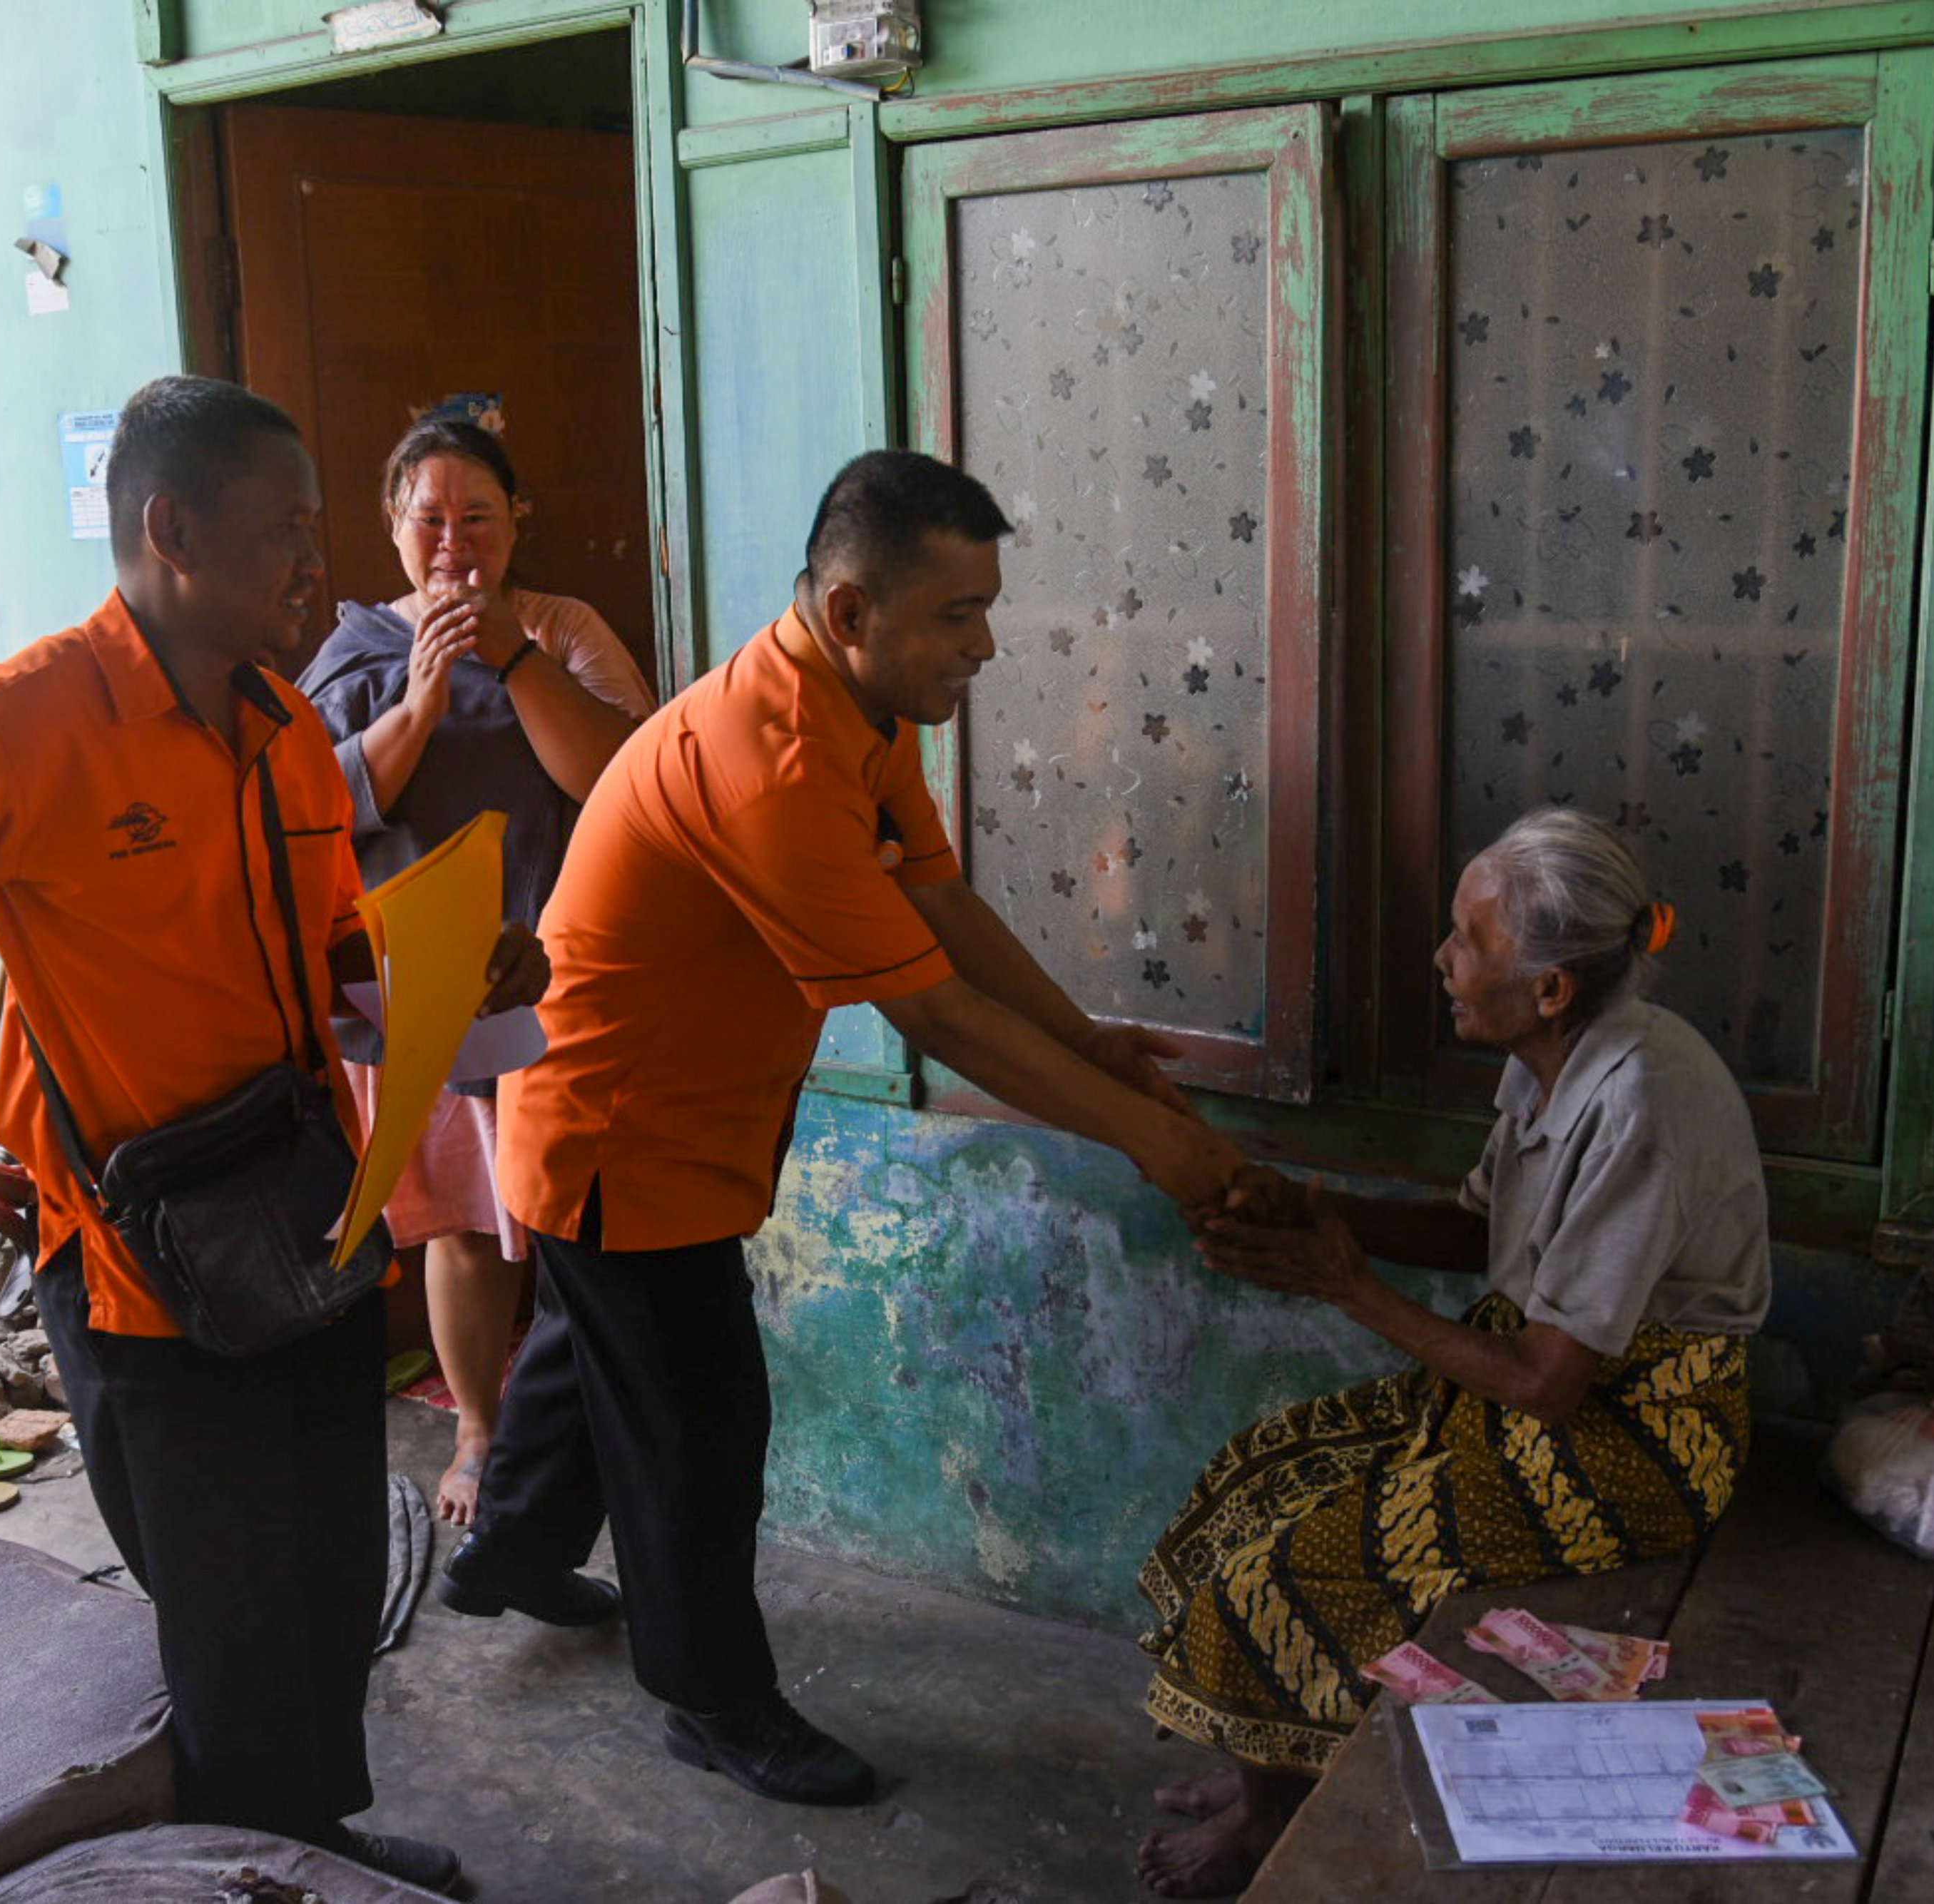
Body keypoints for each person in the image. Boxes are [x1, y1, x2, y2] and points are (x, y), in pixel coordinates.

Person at [0, 375, 550, 1894]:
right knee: (231, 1615)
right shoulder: (19, 726)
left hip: (308, 1216)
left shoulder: (280, 731)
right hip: (149, 1268)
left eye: (318, 532)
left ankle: (308, 1844)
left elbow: (329, 958)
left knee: (325, 1581)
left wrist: (457, 963)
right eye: (285, 534)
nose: (315, 567)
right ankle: (245, 1867)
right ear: (169, 530)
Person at [454, 449, 1248, 1807]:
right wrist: (1157, 1144)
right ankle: (711, 1698)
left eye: (987, 607)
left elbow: (941, 907)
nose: (983, 646)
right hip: (617, 1129)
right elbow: (935, 1016)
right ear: (849, 612)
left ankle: (515, 1549)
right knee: (699, 1422)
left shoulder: (866, 721)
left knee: (606, 1347)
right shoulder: (768, 760)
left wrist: (1085, 1039)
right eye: (957, 616)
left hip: (683, 1112)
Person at [1134, 808, 1771, 1896]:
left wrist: (1344, 1282)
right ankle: (1267, 1771)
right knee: (1257, 1474)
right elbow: (1483, 1225)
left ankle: (1265, 1819)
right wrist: (1319, 1207)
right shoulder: (1547, 1057)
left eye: (1468, 941)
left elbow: (1549, 1385)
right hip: (1526, 1380)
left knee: (1286, 1566)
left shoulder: (1643, 1101)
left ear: (1552, 986)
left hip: (1639, 1439)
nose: (1443, 959)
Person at [299, 415, 656, 1533]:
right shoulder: (357, 649)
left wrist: (507, 653)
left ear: (517, 524)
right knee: (461, 1221)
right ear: (393, 528)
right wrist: (419, 697)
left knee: (570, 1217)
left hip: (551, 976)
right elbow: (331, 806)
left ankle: (579, 1425)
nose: (455, 543)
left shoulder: (566, 627)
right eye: (430, 519)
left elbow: (620, 779)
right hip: (422, 980)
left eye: (479, 519)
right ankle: (480, 1427)